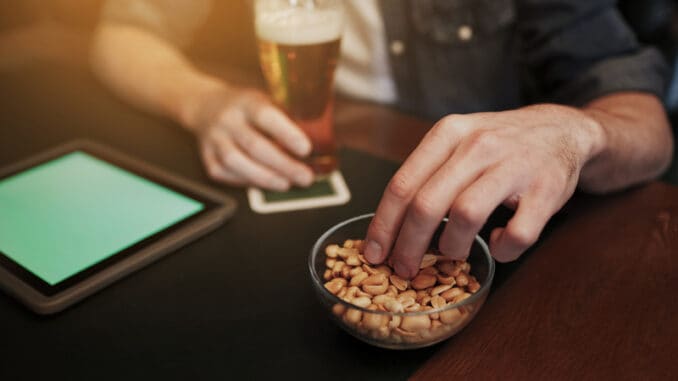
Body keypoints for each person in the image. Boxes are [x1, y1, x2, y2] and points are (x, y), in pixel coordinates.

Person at [90, 0, 674, 279]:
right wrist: (200, 100)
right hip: (298, 197)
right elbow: (118, 33)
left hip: (498, 238)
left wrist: (575, 132)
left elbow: (648, 126)